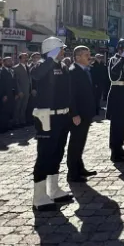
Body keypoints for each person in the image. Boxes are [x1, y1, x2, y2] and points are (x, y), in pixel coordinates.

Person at [30, 37, 74, 211]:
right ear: (53, 50)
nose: (64, 52)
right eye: (60, 49)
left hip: (62, 116)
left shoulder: (62, 66)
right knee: (44, 155)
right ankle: (39, 196)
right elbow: (36, 75)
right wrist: (50, 58)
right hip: (46, 117)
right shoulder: (41, 65)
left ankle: (53, 189)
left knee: (57, 153)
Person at [67, 46, 98, 182]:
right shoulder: (74, 71)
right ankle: (73, 173)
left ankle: (80, 168)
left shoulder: (84, 70)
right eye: (86, 55)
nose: (89, 57)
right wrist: (74, 114)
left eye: (89, 54)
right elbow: (70, 95)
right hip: (78, 114)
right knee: (75, 143)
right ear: (78, 57)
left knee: (81, 142)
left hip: (86, 112)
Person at [107, 39, 124, 162]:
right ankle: (114, 150)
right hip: (117, 93)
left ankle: (120, 147)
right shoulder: (114, 60)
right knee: (116, 124)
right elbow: (113, 75)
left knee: (123, 122)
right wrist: (122, 59)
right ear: (120, 49)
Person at [13, 53, 31, 128]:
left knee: (24, 107)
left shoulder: (28, 67)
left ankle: (22, 121)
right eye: (24, 57)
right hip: (20, 91)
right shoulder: (16, 68)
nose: (26, 59)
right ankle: (16, 122)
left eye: (27, 57)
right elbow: (16, 81)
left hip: (27, 90)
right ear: (20, 59)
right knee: (18, 107)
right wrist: (19, 91)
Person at [1, 56, 18, 131]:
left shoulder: (12, 70)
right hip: (6, 94)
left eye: (11, 61)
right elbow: (1, 84)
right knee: (5, 110)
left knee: (12, 110)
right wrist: (4, 94)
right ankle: (4, 125)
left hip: (12, 94)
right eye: (8, 61)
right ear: (4, 62)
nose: (11, 62)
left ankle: (10, 125)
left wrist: (16, 93)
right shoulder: (1, 71)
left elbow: (15, 83)